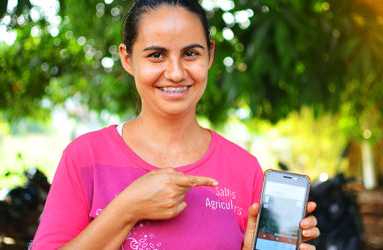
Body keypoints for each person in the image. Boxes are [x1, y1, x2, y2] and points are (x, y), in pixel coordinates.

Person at [31, 0, 319, 249]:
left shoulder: (245, 170)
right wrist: (129, 206)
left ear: (210, 55)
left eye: (190, 54)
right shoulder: (84, 159)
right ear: (128, 59)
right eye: (156, 55)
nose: (176, 72)